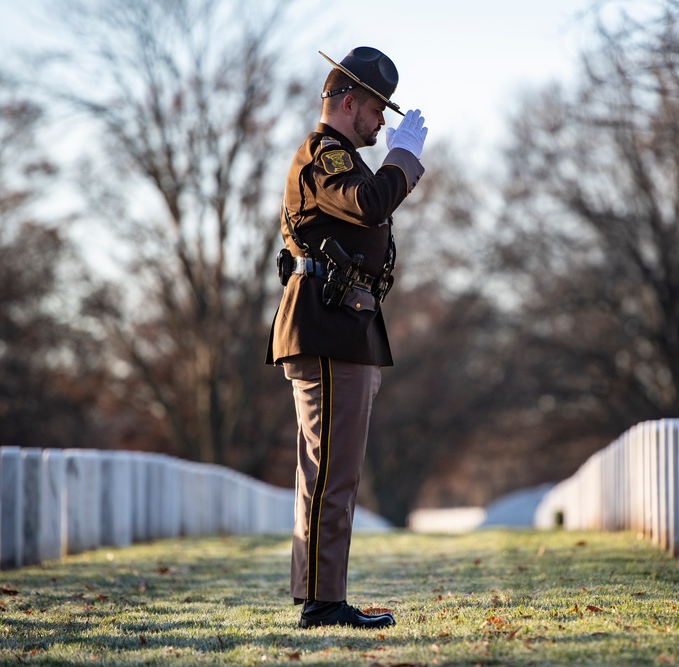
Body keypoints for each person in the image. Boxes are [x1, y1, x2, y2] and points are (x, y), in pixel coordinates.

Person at [265, 46, 428, 629]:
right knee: (332, 469)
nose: (382, 122)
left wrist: (395, 162)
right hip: (329, 323)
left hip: (343, 323)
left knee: (332, 468)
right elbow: (368, 205)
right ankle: (322, 602)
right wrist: (403, 160)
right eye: (377, 109)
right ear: (349, 101)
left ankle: (321, 594)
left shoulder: (340, 157)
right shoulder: (324, 155)